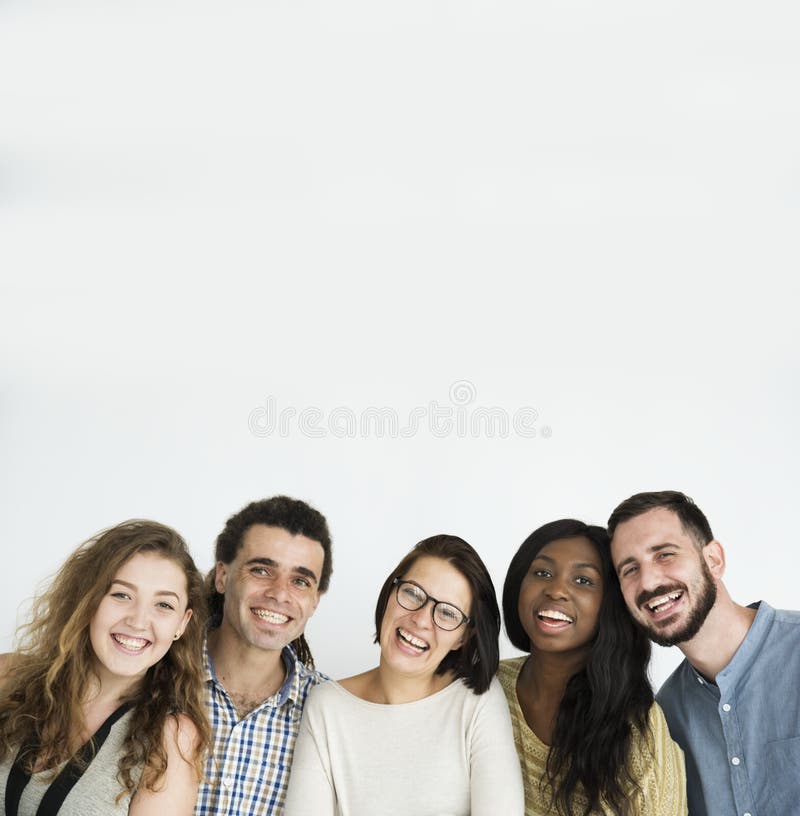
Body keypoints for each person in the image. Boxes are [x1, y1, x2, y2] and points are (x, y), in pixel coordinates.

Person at [283, 534, 524, 816]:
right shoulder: (326, 705)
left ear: (463, 638)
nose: (421, 620)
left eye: (447, 613)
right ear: (390, 593)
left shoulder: (477, 700)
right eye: (412, 593)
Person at [608, 490, 800, 816]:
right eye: (630, 569)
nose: (649, 581)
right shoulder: (665, 718)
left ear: (713, 560)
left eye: (665, 554)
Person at [0, 520, 210, 815]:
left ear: (182, 624)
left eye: (163, 605)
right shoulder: (9, 676)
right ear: (88, 600)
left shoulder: (172, 739)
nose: (138, 621)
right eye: (122, 595)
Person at [499, 519, 687, 816]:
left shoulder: (636, 726)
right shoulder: (487, 687)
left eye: (583, 580)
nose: (556, 590)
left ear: (610, 605)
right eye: (542, 573)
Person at [195, 495, 333, 816]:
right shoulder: (156, 672)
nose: (280, 593)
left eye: (300, 581)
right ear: (222, 576)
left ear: (315, 601)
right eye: (261, 570)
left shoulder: (329, 713)